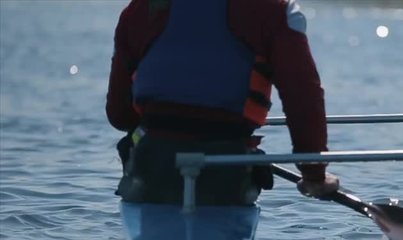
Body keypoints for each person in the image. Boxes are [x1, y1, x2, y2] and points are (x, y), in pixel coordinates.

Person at [106, 0, 339, 205]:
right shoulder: (276, 11)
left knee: (139, 142)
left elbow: (120, 115)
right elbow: (303, 98)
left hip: (153, 169)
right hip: (229, 171)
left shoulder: (138, 10)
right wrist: (314, 175)